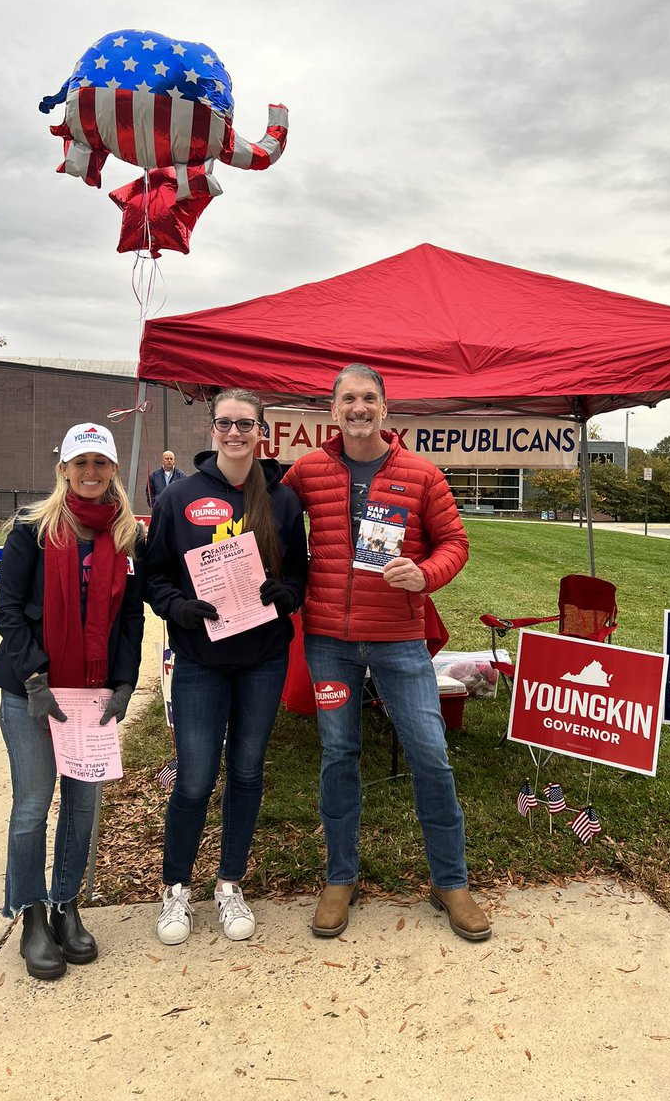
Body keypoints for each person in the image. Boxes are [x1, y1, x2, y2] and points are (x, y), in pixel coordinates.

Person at [283, 364, 491, 942]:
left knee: (431, 754)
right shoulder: (307, 471)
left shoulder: (420, 474)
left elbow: (456, 542)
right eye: (347, 398)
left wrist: (424, 575)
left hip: (400, 639)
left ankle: (451, 881)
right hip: (328, 641)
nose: (358, 407)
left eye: (368, 398)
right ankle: (339, 877)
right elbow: (264, 515)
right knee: (338, 754)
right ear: (332, 410)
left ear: (384, 407)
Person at [144, 388, 307, 947]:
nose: (235, 433)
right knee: (193, 778)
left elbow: (300, 575)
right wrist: (178, 608)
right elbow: (153, 576)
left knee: (246, 772)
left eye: (246, 424)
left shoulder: (282, 500)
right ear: (212, 429)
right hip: (201, 659)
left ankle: (230, 882)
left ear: (262, 431)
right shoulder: (179, 497)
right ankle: (176, 890)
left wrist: (285, 594)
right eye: (225, 423)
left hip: (263, 658)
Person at [0, 422, 145, 980]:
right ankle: (31, 915)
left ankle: (66, 905)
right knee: (32, 806)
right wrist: (34, 681)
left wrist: (125, 683)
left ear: (113, 470)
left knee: (84, 806)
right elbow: (8, 611)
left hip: (92, 694)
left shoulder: (127, 535)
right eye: (82, 463)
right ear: (64, 469)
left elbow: (129, 617)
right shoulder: (32, 527)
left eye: (101, 463)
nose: (91, 473)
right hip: (32, 691)